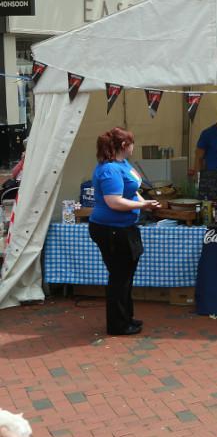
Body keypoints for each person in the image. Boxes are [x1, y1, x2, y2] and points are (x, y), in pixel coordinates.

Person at [88, 128, 160, 335]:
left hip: (124, 228)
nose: (133, 146)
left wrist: (142, 201)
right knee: (119, 277)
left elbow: (131, 190)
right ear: (123, 146)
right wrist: (142, 207)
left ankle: (126, 317)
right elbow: (114, 202)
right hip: (111, 229)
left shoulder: (122, 164)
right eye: (131, 143)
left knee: (126, 275)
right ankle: (118, 325)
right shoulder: (109, 169)